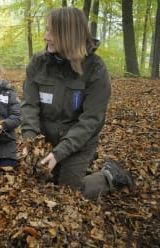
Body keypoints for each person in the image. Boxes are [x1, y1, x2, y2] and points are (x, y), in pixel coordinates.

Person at [20, 7, 134, 199]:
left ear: (68, 35)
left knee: (68, 194)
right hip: (45, 139)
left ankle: (109, 175)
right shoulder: (38, 63)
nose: (45, 36)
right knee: (37, 187)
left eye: (51, 31)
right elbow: (29, 105)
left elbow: (91, 120)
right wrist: (31, 142)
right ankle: (63, 168)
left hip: (78, 143)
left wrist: (60, 152)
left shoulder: (95, 69)